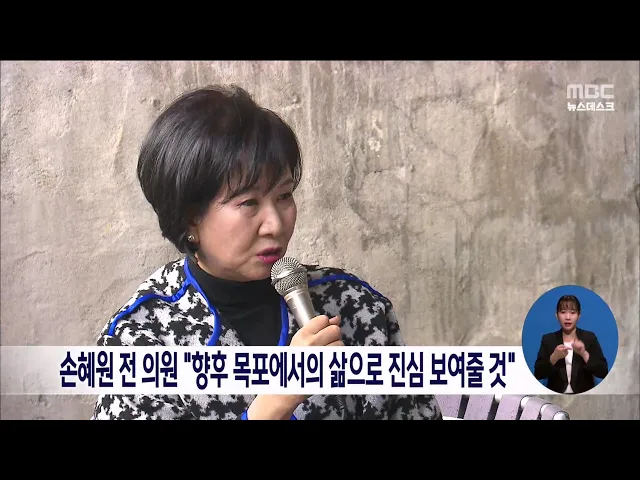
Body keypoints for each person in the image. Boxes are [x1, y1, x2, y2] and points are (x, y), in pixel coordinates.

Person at [91, 84, 443, 420]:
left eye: (284, 195)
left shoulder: (354, 305)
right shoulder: (142, 338)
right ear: (189, 217)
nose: (275, 224)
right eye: (248, 203)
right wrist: (278, 399)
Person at [533, 294, 608, 394]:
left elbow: (603, 372)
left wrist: (584, 353)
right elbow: (538, 373)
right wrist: (554, 357)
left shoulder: (589, 338)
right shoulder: (548, 339)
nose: (567, 317)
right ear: (556, 315)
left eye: (572, 313)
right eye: (563, 312)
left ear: (579, 315)